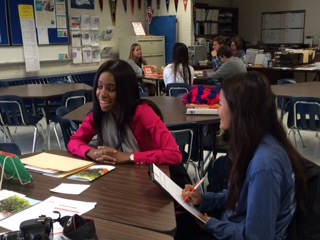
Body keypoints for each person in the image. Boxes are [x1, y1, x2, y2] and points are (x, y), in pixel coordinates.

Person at [179, 71, 307, 240]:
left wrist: (212, 225)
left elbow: (258, 236)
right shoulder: (254, 144)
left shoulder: (265, 164)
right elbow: (237, 196)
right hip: (233, 226)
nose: (217, 111)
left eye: (220, 104)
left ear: (238, 111)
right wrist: (203, 199)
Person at [68, 60, 182, 166]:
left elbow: (174, 154)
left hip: (148, 174)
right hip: (118, 178)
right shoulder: (99, 115)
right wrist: (91, 152)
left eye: (111, 89)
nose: (102, 94)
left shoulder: (142, 112)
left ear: (125, 91)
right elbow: (73, 141)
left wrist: (130, 156)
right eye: (99, 86)